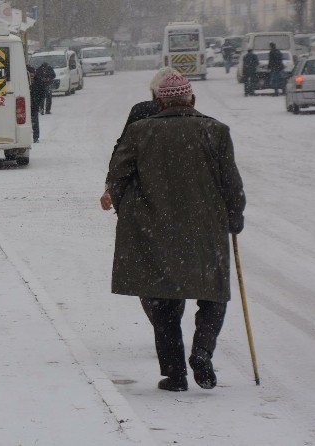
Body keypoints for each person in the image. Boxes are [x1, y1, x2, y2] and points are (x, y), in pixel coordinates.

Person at [106, 73, 246, 392]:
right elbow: (231, 184)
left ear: (159, 102)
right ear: (192, 99)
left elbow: (118, 176)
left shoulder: (140, 131)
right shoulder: (216, 131)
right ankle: (201, 353)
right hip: (206, 230)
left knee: (163, 302)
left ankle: (175, 374)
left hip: (154, 229)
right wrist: (234, 217)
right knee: (213, 292)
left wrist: (126, 210)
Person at [100, 67, 180, 211]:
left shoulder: (141, 111)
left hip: (143, 195)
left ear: (154, 92)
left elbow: (122, 152)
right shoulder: (197, 120)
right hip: (183, 200)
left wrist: (110, 188)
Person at [27, 65, 42, 143]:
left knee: (35, 121)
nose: (32, 75)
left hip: (34, 104)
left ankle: (35, 137)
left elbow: (42, 92)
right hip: (25, 105)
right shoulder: (24, 81)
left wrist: (38, 103)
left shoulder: (38, 80)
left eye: (32, 73)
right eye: (30, 74)